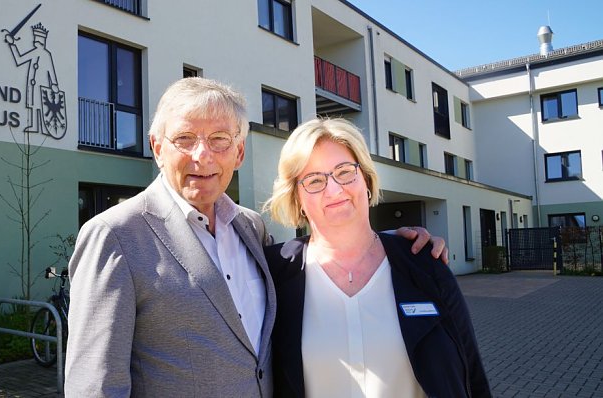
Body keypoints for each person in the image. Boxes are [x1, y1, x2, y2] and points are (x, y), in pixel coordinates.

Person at [65, 78, 445, 397]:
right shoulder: (114, 235)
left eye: (219, 140)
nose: (203, 155)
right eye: (184, 138)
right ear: (157, 148)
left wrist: (393, 245)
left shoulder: (250, 228)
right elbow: (95, 386)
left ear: (240, 152)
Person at [264, 118, 490, 397]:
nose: (334, 190)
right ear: (297, 198)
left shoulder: (423, 263)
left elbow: (472, 375)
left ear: (366, 179)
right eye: (314, 180)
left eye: (344, 172)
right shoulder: (274, 275)